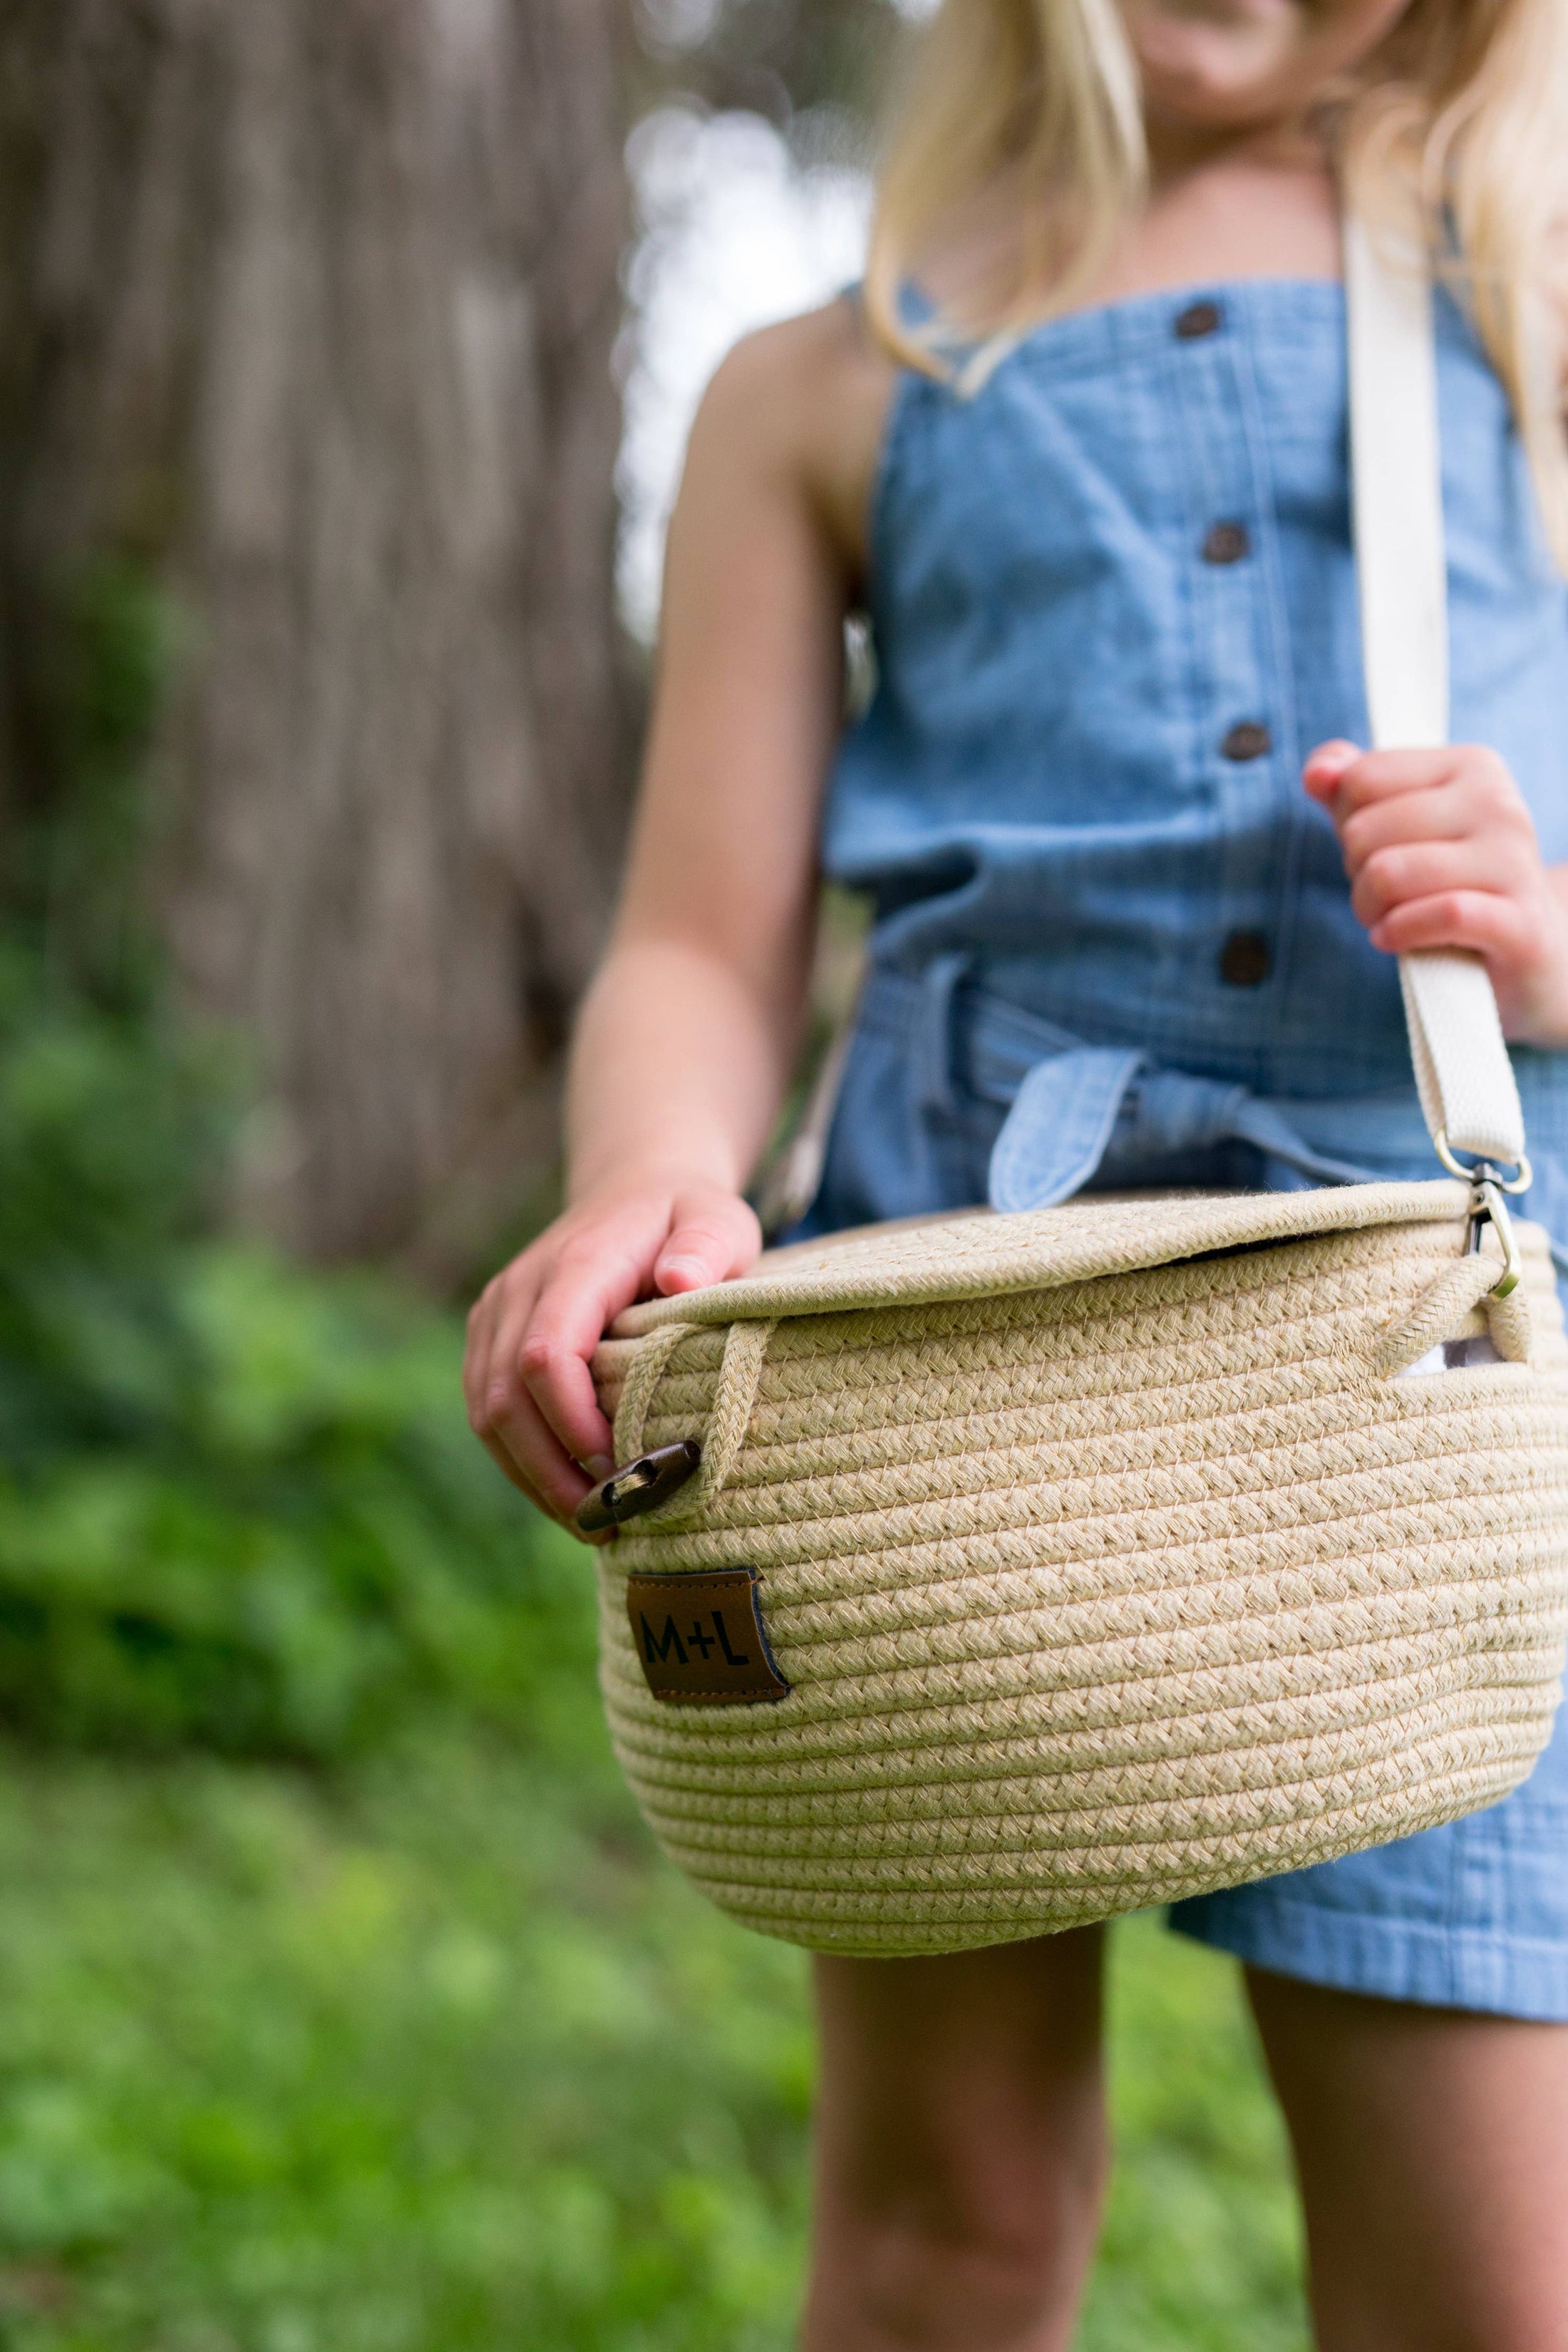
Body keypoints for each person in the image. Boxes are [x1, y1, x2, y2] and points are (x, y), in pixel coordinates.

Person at [465, 0, 1568, 2341]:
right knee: (937, 2224)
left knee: (1491, 2268)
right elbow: (697, 927)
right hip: (955, 1339)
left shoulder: (1536, 292)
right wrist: (647, 1176)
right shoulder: (832, 379)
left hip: (1439, 1355)